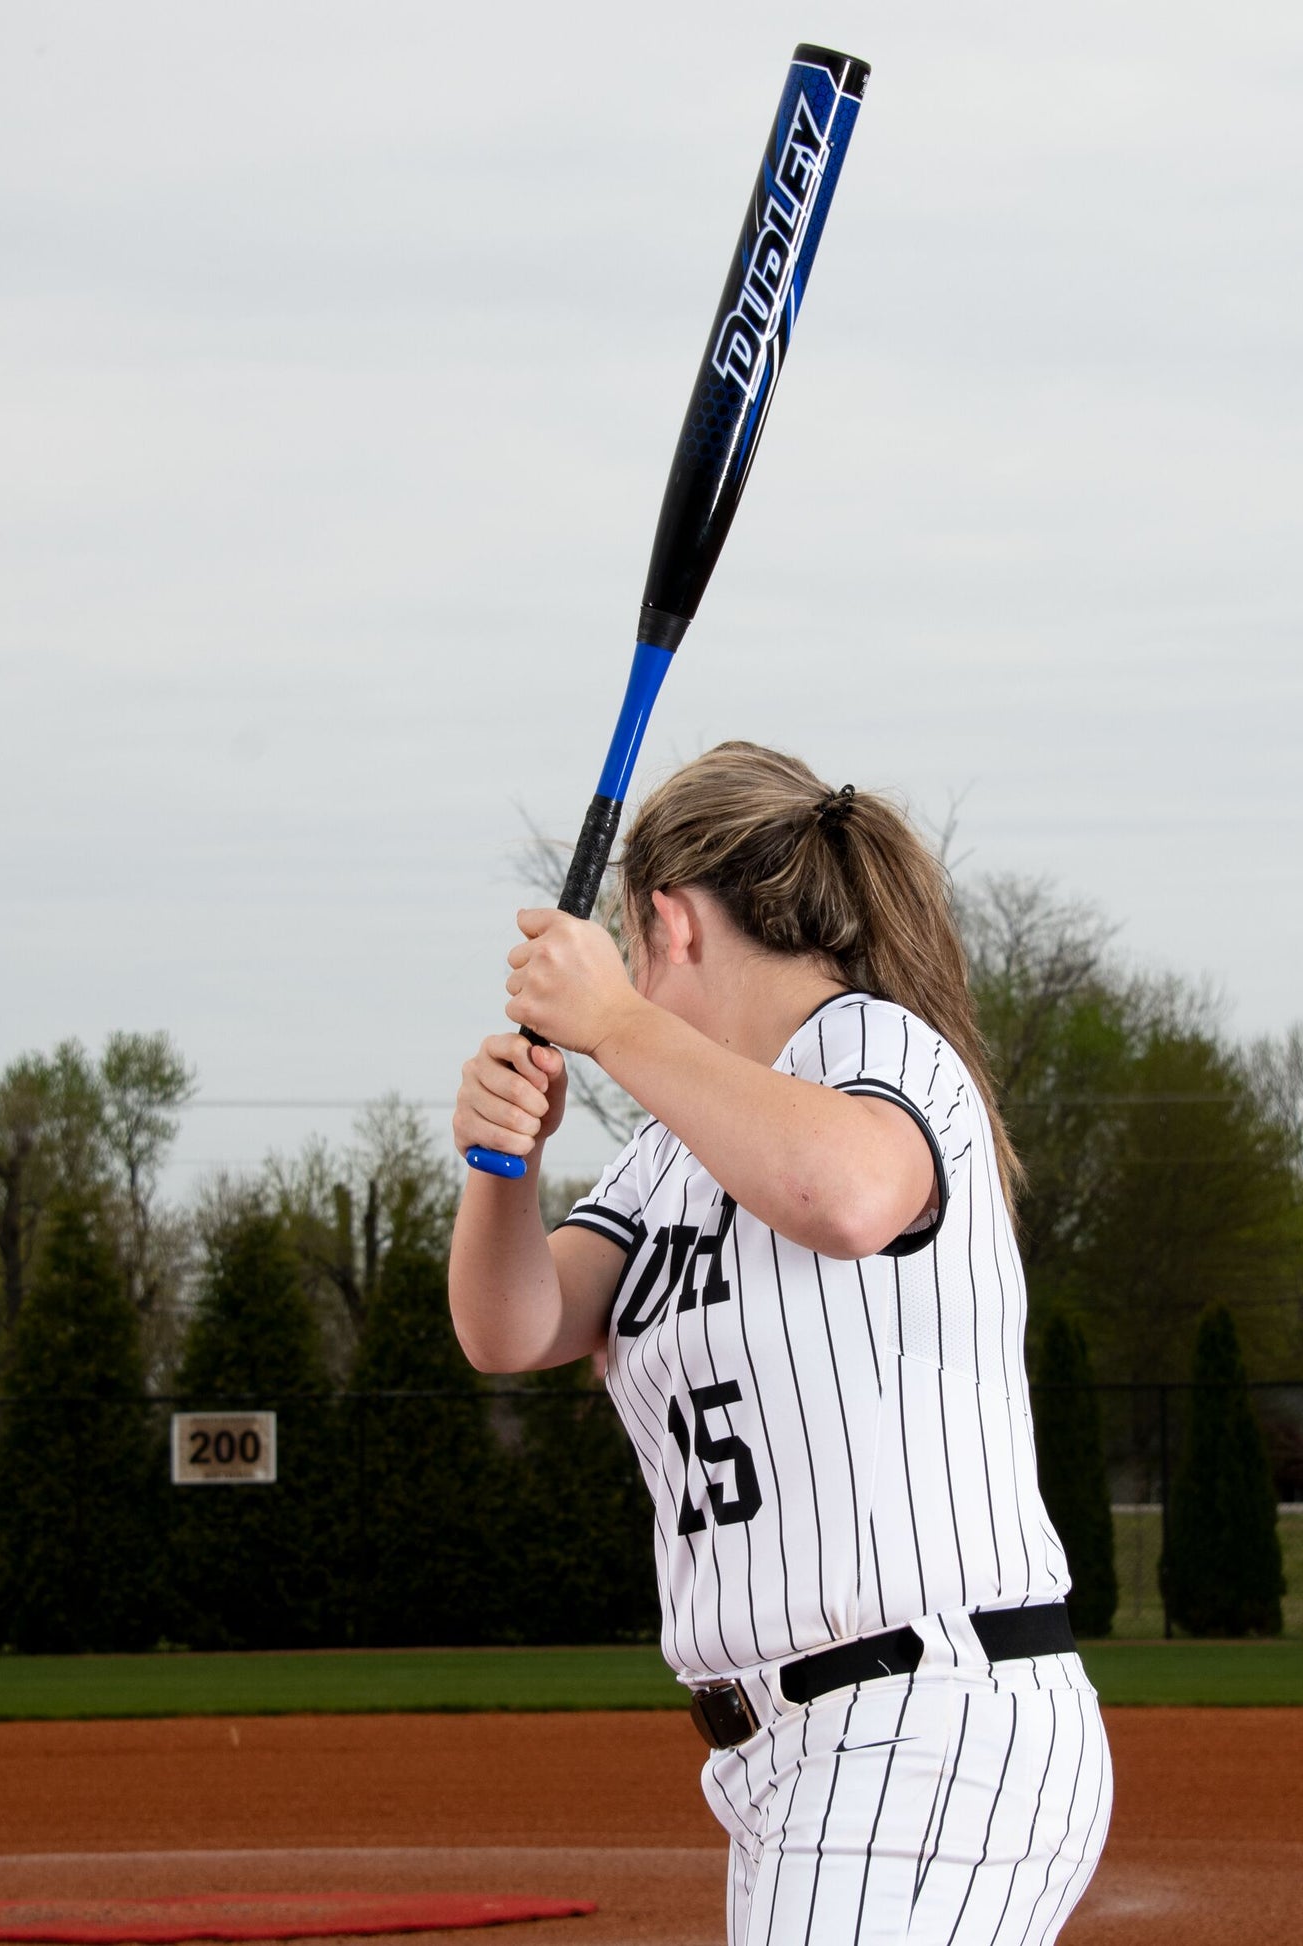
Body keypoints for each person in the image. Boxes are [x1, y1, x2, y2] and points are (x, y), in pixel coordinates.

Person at [449, 742, 1111, 1946]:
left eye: (630, 957)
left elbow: (846, 1191)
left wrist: (608, 1023)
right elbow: (514, 1325)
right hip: (790, 1754)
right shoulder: (669, 1152)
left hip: (925, 1722)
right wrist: (505, 1168)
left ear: (668, 922)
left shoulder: (876, 1047)